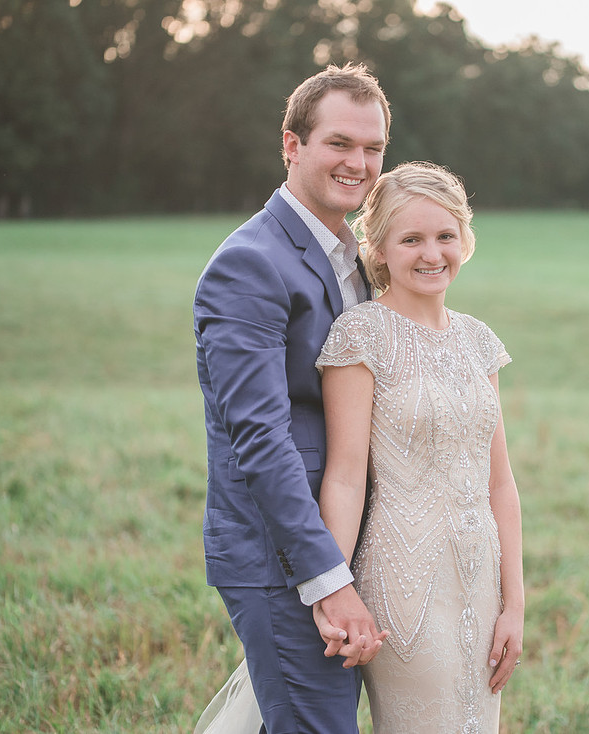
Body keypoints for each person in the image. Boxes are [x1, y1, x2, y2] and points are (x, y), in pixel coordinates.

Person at [192, 63, 391, 734]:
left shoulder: (354, 258)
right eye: (340, 143)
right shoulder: (250, 262)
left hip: (350, 540)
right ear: (292, 145)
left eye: (372, 148)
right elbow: (260, 439)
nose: (358, 163)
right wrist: (327, 577)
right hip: (284, 556)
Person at [314, 162, 525, 733]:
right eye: (411, 239)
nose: (432, 254)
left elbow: (500, 483)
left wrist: (514, 604)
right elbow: (345, 479)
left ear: (464, 240)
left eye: (445, 236)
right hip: (404, 580)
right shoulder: (361, 335)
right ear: (379, 248)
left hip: (481, 579)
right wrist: (334, 589)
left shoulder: (478, 341)